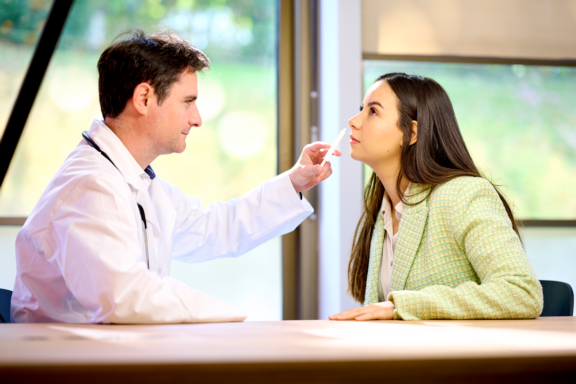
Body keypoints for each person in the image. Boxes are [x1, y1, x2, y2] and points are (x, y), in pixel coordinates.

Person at [11, 30, 340, 324]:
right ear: (143, 99)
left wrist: (293, 182)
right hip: (64, 363)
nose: (196, 119)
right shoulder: (92, 186)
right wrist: (232, 315)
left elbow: (213, 228)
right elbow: (126, 298)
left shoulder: (136, 182)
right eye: (188, 102)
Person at [329, 73, 543, 321]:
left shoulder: (464, 195)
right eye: (361, 109)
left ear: (411, 133)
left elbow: (521, 292)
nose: (353, 121)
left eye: (373, 112)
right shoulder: (382, 211)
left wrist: (401, 306)